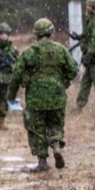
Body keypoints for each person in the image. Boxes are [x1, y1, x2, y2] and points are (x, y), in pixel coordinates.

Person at [7, 18, 79, 172]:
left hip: (35, 99)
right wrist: (63, 82)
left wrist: (11, 96)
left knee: (37, 128)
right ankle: (56, 145)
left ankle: (42, 162)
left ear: (36, 34)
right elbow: (73, 70)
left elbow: (16, 75)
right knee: (55, 125)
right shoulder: (61, 50)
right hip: (57, 97)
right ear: (51, 32)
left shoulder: (29, 52)